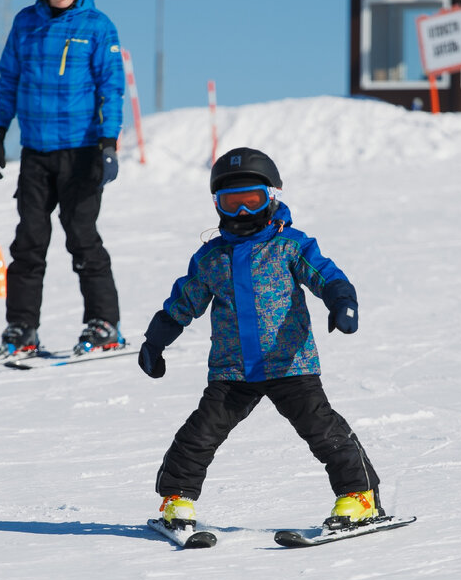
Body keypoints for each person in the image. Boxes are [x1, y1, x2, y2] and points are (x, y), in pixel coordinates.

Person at [136, 147, 384, 530]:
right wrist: (155, 341)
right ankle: (176, 500)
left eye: (251, 201)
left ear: (271, 198)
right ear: (217, 205)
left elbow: (327, 276)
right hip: (232, 371)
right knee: (199, 435)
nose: (241, 213)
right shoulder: (211, 258)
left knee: (323, 431)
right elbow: (182, 302)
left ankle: (360, 497)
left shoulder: (291, 245)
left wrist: (342, 303)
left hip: (291, 364)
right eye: (231, 203)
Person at [0, 0, 125, 358]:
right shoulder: (25, 24)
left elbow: (111, 89)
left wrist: (109, 142)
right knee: (28, 242)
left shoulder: (98, 27)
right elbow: (8, 80)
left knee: (82, 238)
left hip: (82, 152)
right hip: (36, 153)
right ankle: (21, 329)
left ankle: (104, 325)